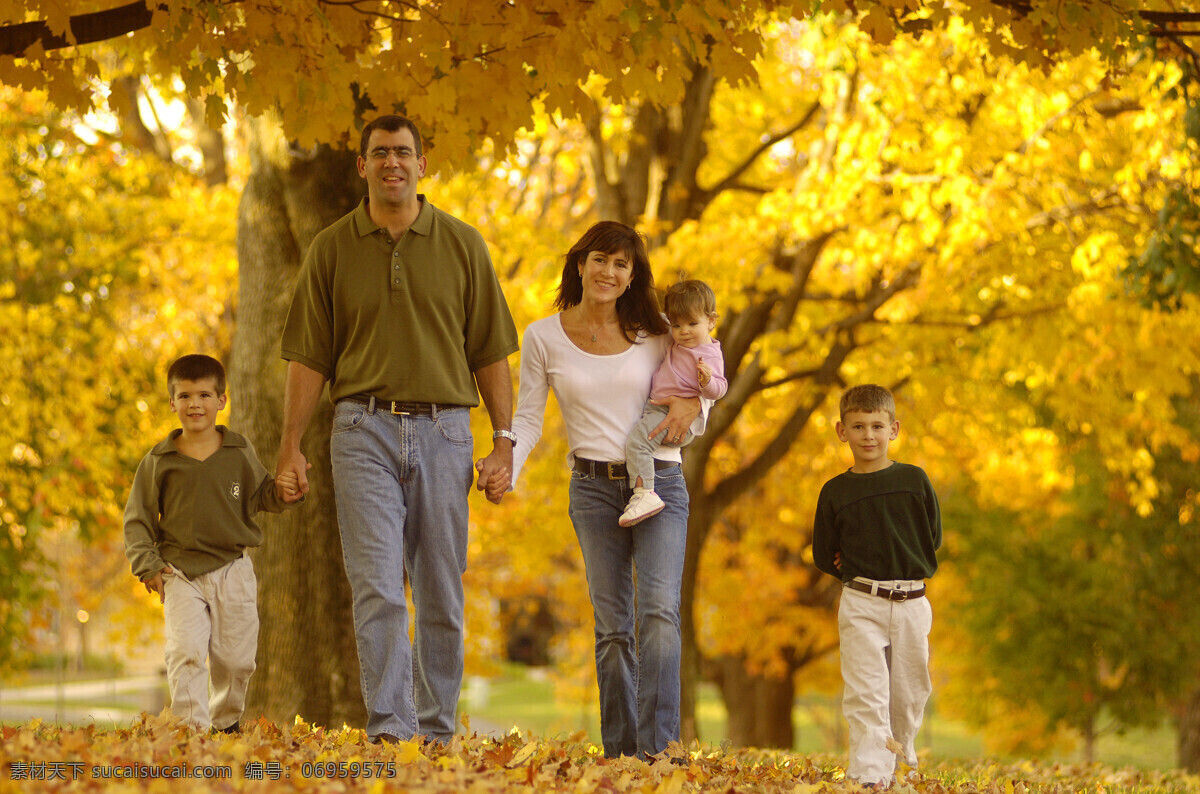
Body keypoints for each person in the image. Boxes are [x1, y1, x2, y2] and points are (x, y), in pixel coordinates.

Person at [276, 114, 519, 744]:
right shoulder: (331, 247)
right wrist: (290, 446)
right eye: (380, 153)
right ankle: (391, 729)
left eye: (403, 152)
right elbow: (309, 357)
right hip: (361, 430)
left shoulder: (463, 244)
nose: (392, 163)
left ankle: (436, 735)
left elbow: (491, 351)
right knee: (378, 586)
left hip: (446, 432)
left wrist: (503, 441)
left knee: (441, 588)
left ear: (422, 164)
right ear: (362, 166)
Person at [502, 221, 704, 759]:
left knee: (658, 612)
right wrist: (508, 468)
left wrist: (694, 406)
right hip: (592, 489)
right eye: (600, 260)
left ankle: (658, 752)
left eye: (621, 264)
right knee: (614, 626)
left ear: (632, 275)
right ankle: (619, 752)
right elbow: (527, 419)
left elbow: (704, 365)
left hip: (659, 481)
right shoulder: (543, 336)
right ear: (580, 263)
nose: (608, 272)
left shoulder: (658, 330)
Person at [123, 354, 305, 733]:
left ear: (222, 401)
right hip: (180, 573)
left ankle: (224, 722)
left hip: (232, 569)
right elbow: (137, 519)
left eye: (204, 395)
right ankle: (192, 732)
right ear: (172, 403)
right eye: (185, 396)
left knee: (237, 661)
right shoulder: (159, 461)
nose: (195, 404)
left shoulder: (238, 452)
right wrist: (149, 566)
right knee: (185, 653)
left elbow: (261, 496)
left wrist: (285, 492)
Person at [811, 384, 942, 787]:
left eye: (876, 426)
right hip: (861, 601)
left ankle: (901, 759)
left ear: (893, 429)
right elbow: (823, 552)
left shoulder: (914, 481)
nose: (868, 435)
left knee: (908, 692)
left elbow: (931, 537)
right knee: (866, 691)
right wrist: (850, 568)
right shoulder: (835, 491)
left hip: (911, 601)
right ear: (841, 431)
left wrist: (904, 560)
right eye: (858, 426)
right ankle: (869, 775)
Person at [619, 279, 727, 527]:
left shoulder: (709, 353)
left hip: (672, 416)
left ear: (711, 321)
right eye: (676, 325)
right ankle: (643, 492)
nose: (684, 331)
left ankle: (644, 494)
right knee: (640, 439)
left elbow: (720, 389)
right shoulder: (679, 342)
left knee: (638, 443)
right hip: (658, 410)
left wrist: (706, 382)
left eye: (692, 324)